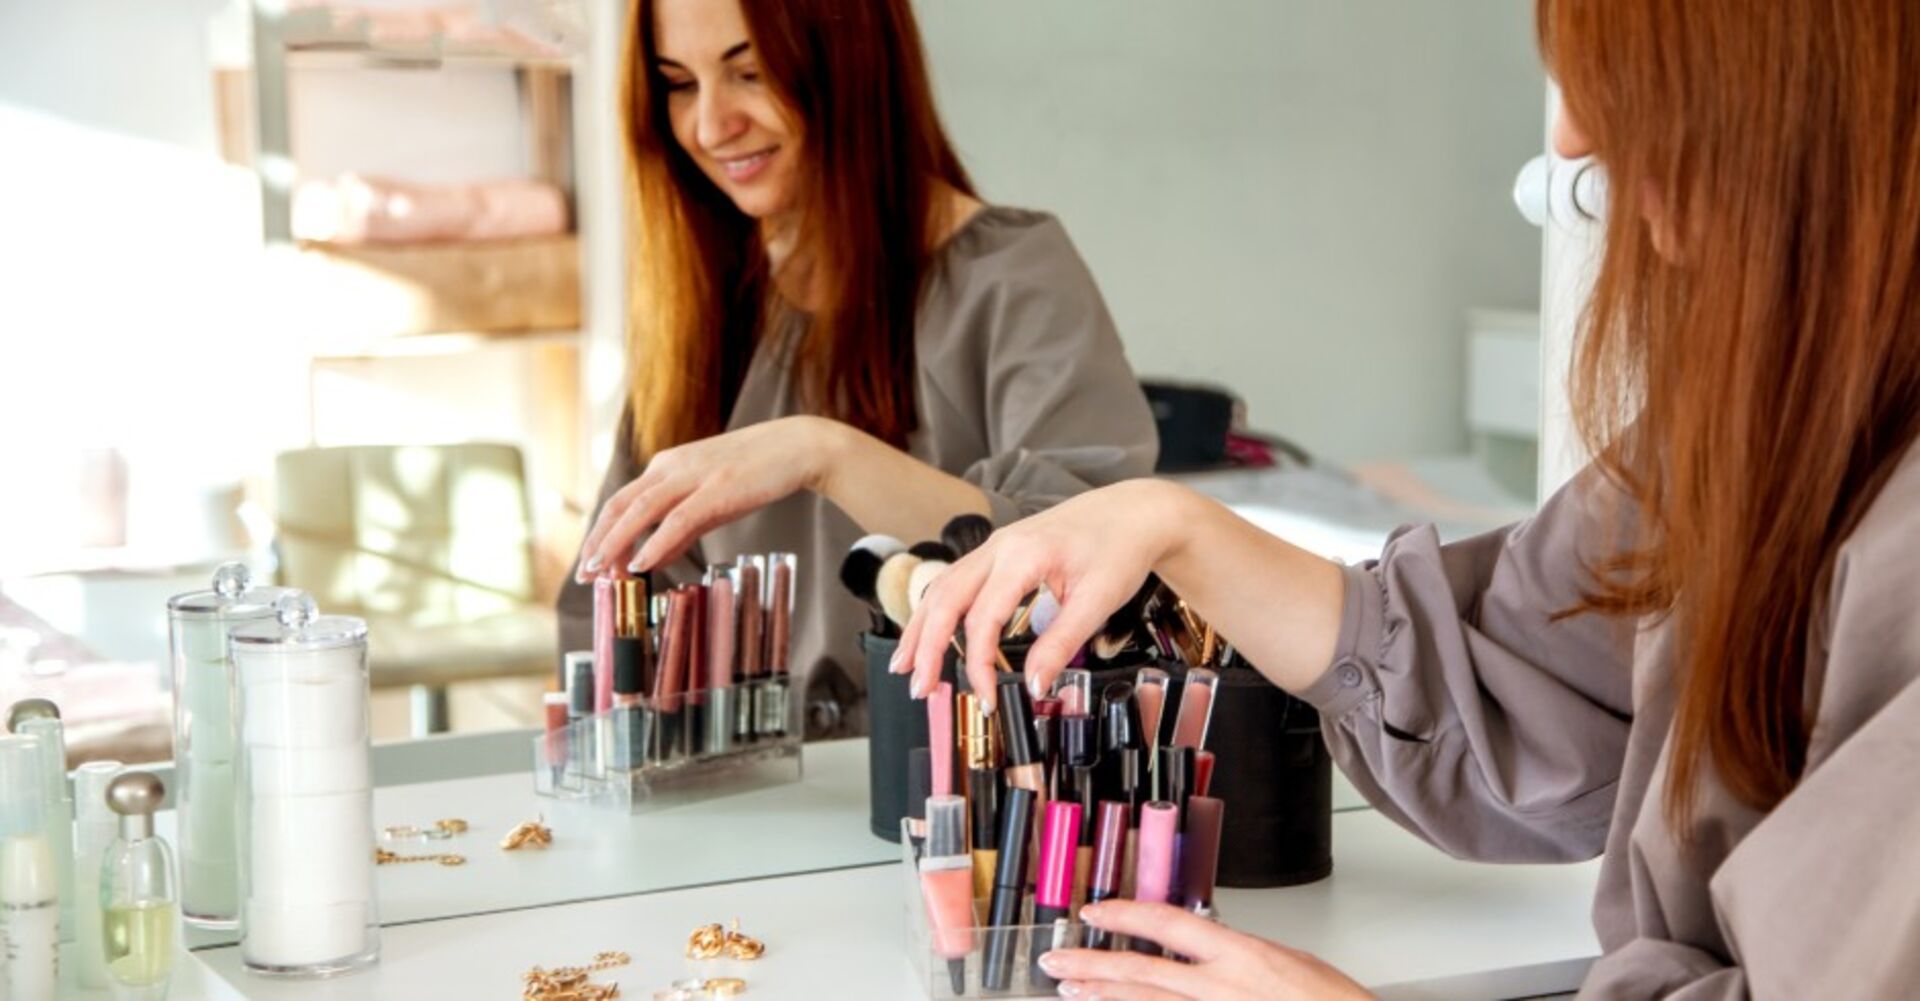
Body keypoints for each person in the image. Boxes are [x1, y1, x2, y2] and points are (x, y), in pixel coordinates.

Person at [896, 0, 1920, 996]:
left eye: (1623, 62)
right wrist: (1176, 525)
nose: (1569, 135)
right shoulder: (1765, 411)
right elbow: (1511, 668)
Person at [558, 0, 1158, 735]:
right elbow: (605, 607)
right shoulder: (704, 305)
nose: (712, 126)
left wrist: (825, 453)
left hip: (964, 792)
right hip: (744, 806)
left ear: (852, 61)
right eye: (679, 83)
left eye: (750, 73)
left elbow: (1083, 561)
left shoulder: (1012, 276)